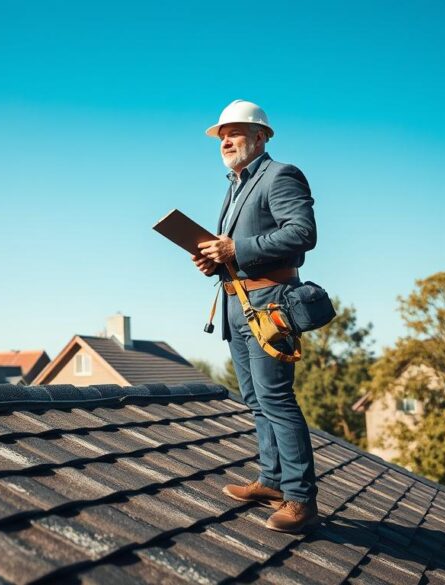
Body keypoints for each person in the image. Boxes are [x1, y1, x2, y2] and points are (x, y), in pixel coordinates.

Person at [193, 99, 319, 533]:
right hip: (237, 304)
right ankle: (271, 480)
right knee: (254, 399)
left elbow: (302, 234)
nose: (225, 140)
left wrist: (236, 250)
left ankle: (301, 500)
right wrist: (217, 260)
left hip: (271, 306)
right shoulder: (234, 186)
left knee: (277, 399)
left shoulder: (281, 174)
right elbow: (240, 248)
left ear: (261, 135)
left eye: (236, 132)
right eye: (221, 135)